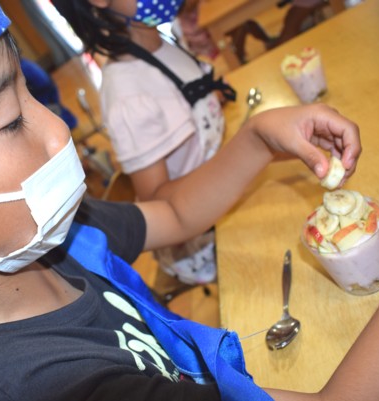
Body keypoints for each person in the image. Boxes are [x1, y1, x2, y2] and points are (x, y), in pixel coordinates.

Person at [0, 2, 379, 401]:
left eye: (35, 98)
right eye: (11, 121)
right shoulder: (42, 388)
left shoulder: (41, 241)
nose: (60, 132)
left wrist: (256, 140)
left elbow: (175, 214)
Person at [52, 0, 241, 287]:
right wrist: (238, 158)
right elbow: (160, 202)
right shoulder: (127, 92)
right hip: (206, 241)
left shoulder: (164, 40)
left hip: (228, 192)